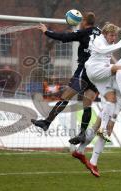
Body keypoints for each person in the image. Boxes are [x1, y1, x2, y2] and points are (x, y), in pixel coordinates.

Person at [71, 42, 121, 177]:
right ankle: (93, 161)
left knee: (99, 127)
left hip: (119, 101)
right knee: (106, 130)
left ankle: (80, 150)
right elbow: (113, 81)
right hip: (111, 98)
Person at [31, 12, 101, 143]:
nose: (80, 23)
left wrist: (46, 31)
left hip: (85, 69)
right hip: (97, 72)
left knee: (65, 97)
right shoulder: (100, 32)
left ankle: (47, 122)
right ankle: (82, 134)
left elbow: (64, 36)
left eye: (81, 21)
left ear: (85, 21)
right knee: (88, 103)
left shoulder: (83, 32)